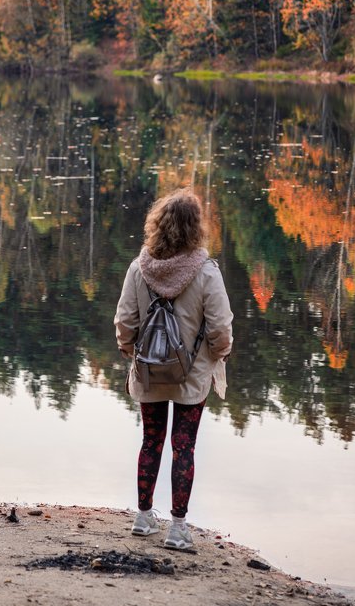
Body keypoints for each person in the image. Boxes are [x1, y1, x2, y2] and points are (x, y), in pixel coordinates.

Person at [114, 188, 233, 551]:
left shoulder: (139, 268)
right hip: (192, 376)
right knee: (184, 448)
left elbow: (124, 321)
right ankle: (178, 528)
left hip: (150, 372)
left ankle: (143, 517)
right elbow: (220, 328)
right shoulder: (206, 272)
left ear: (158, 225)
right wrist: (218, 356)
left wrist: (130, 351)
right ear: (195, 227)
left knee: (151, 441)